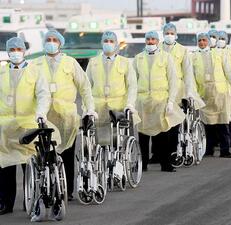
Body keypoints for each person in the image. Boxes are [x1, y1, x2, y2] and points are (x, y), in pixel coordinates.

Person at [34, 30, 96, 200]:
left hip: (67, 116)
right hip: (45, 116)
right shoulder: (36, 64)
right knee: (45, 155)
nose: (51, 42)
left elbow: (84, 87)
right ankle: (47, 188)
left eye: (55, 40)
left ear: (60, 43)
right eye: (48, 39)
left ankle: (66, 190)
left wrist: (89, 108)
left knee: (66, 153)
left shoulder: (70, 63)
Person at [0, 37, 51, 215]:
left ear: (24, 51)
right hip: (5, 126)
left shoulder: (35, 72)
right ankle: (5, 203)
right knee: (5, 165)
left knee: (29, 163)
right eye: (12, 50)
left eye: (18, 49)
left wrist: (41, 112)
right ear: (8, 52)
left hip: (28, 123)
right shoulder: (2, 73)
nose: (15, 53)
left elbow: (44, 95)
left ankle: (30, 199)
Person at [133, 30, 185, 172]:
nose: (150, 42)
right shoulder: (138, 58)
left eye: (153, 39)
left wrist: (170, 101)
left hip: (160, 100)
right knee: (143, 134)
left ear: (157, 41)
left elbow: (173, 81)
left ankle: (165, 164)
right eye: (148, 39)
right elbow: (132, 82)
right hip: (143, 101)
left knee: (162, 133)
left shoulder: (166, 58)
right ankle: (142, 164)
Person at [154, 23, 204, 163]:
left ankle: (172, 153)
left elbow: (188, 73)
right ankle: (157, 154)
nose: (169, 35)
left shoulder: (182, 50)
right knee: (160, 123)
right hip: (162, 90)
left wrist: (188, 92)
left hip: (178, 90)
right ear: (163, 34)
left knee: (175, 123)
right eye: (167, 32)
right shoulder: (158, 49)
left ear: (175, 35)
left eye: (171, 33)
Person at [86, 31, 138, 146]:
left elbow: (132, 86)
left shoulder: (125, 63)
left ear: (116, 44)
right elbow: (86, 87)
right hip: (98, 107)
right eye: (105, 41)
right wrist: (88, 107)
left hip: (118, 108)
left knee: (118, 141)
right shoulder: (93, 62)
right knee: (100, 141)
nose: (108, 43)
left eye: (111, 41)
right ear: (101, 43)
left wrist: (129, 104)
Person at [192, 33, 231, 158]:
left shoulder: (219, 54)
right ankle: (209, 149)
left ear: (208, 41)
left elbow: (228, 71)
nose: (202, 42)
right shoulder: (193, 57)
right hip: (204, 94)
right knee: (208, 123)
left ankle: (225, 150)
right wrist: (193, 93)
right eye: (200, 40)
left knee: (222, 122)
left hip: (220, 92)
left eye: (204, 40)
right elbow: (191, 77)